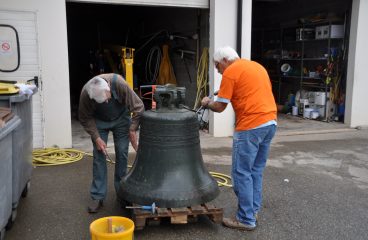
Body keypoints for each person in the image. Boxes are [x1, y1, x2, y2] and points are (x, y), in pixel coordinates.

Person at [201, 46, 277, 230]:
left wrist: (207, 102)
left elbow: (219, 107)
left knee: (241, 173)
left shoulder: (231, 72)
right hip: (270, 123)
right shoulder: (255, 67)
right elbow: (249, 89)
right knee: (255, 171)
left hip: (250, 127)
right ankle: (252, 211)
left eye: (218, 66)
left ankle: (245, 219)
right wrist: (224, 90)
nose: (218, 70)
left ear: (225, 60)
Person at [79, 73, 144, 213]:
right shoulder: (86, 93)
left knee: (122, 153)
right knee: (99, 156)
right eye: (102, 101)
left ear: (108, 87)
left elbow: (139, 107)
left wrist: (132, 129)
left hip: (121, 119)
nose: (106, 103)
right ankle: (98, 196)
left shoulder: (119, 84)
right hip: (99, 122)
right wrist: (96, 137)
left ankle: (122, 194)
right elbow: (84, 117)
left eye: (107, 99)